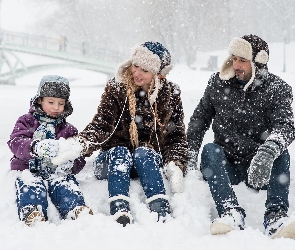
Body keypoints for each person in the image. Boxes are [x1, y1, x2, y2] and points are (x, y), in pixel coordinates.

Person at [50, 41, 188, 226]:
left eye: (144, 70)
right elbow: (101, 125)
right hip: (112, 162)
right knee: (120, 152)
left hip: (145, 163)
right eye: (135, 65)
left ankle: (160, 208)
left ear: (158, 75)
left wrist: (175, 164)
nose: (136, 73)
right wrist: (80, 144)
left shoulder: (171, 94)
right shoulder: (117, 88)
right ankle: (120, 208)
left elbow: (176, 136)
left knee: (144, 152)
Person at [187, 34, 295, 239]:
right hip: (226, 168)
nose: (236, 65)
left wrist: (267, 152)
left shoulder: (277, 89)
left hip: (261, 169)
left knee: (281, 151)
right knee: (210, 150)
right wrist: (190, 154)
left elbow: (286, 126)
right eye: (234, 58)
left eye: (242, 60)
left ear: (258, 63)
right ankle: (230, 213)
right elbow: (199, 120)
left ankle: (276, 218)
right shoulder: (218, 83)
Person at [7, 75, 93, 226]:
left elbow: (78, 155)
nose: (56, 107)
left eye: (61, 103)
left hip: (56, 171)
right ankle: (32, 210)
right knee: (31, 184)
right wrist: (35, 147)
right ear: (40, 100)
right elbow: (15, 142)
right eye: (51, 102)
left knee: (65, 184)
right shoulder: (26, 121)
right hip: (29, 168)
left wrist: (71, 164)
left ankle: (75, 208)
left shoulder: (69, 130)